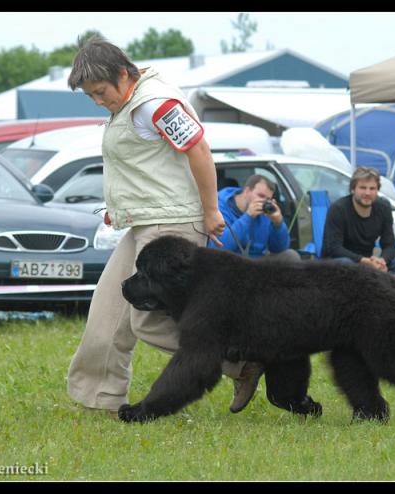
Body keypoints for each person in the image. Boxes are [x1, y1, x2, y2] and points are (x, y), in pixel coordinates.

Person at [65, 36, 262, 415]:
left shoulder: (156, 103)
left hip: (173, 225)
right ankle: (100, 401)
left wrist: (210, 211)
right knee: (106, 312)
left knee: (147, 320)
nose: (97, 101)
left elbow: (198, 149)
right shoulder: (131, 102)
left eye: (101, 91)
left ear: (123, 74)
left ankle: (245, 360)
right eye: (90, 95)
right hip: (144, 222)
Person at [321, 166, 395, 275]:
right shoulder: (338, 209)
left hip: (368, 262)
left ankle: (381, 289)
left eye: (372, 188)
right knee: (346, 263)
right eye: (363, 188)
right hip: (338, 263)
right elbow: (334, 248)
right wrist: (364, 261)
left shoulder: (384, 208)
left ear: (377, 190)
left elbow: (389, 245)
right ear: (353, 189)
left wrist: (382, 261)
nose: (367, 193)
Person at [208, 174, 300, 261]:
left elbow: (279, 249)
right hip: (230, 260)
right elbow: (219, 247)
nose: (263, 201)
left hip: (257, 261)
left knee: (291, 256)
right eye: (261, 196)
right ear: (247, 191)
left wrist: (278, 223)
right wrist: (248, 217)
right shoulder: (219, 206)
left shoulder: (265, 209)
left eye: (268, 199)